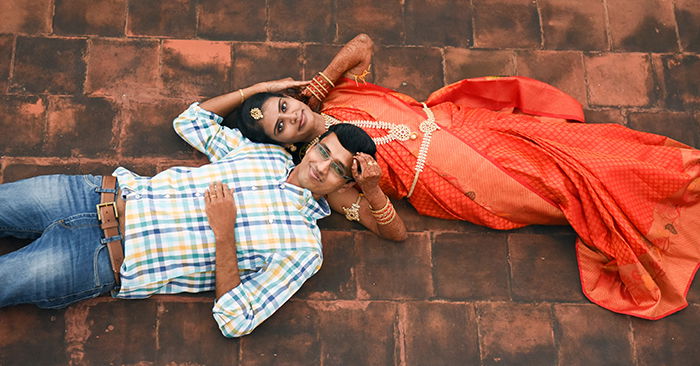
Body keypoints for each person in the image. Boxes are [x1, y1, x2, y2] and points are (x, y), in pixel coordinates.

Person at [223, 33, 700, 321]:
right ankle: (667, 212)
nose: (290, 117)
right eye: (278, 125)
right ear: (280, 143)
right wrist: (369, 188)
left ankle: (678, 180)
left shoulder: (337, 98)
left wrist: (317, 85)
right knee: (566, 187)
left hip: (469, 126)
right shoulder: (328, 170)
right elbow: (394, 233)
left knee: (584, 149)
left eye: (284, 106)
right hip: (456, 181)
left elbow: (362, 43)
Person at [0, 86, 405, 338]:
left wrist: (224, 234)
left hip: (99, 259)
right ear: (314, 142)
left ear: (343, 184)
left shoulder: (303, 249)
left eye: (337, 168)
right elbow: (191, 121)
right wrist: (263, 89)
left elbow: (235, 318)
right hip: (91, 193)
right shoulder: (265, 153)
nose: (320, 166)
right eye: (323, 150)